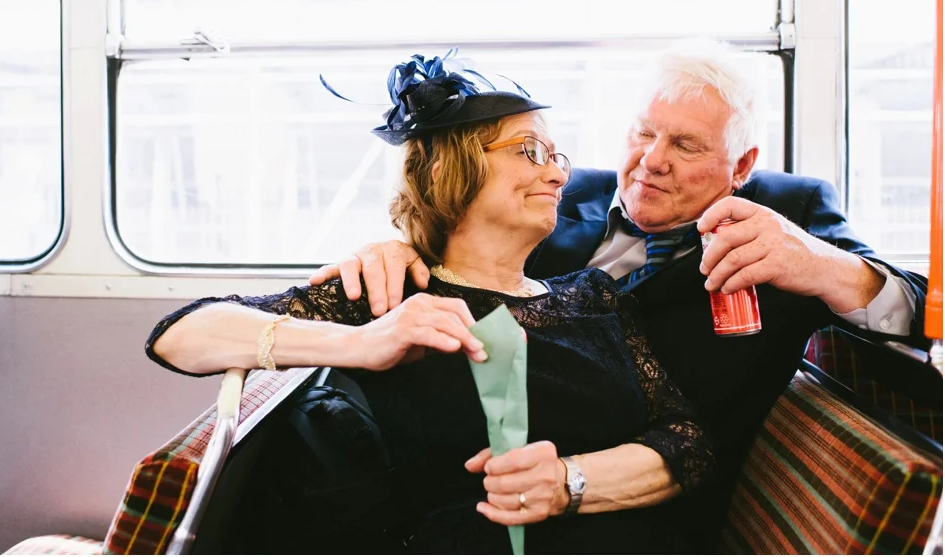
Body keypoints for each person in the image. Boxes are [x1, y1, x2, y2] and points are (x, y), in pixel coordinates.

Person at [309, 39, 929, 552]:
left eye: (685, 145)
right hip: (482, 481)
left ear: (741, 166)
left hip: (660, 499)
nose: (651, 160)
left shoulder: (792, 209)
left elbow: (925, 310)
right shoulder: (553, 193)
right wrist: (401, 251)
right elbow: (463, 258)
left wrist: (822, 266)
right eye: (643, 132)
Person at [147, 53, 714, 554]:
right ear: (450, 170)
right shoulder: (389, 296)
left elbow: (686, 443)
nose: (556, 174)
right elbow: (179, 335)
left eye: (555, 156)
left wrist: (569, 481)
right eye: (530, 150)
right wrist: (362, 342)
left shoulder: (594, 295)